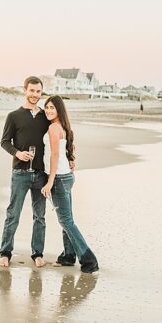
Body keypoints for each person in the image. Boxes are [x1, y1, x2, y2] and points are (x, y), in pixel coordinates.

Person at [0, 76, 68, 268]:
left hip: (40, 174)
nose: (35, 95)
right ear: (25, 90)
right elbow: (4, 142)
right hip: (20, 173)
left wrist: (70, 157)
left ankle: (37, 253)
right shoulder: (13, 116)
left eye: (38, 92)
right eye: (32, 91)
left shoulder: (46, 118)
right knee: (13, 214)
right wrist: (17, 153)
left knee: (40, 216)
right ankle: (5, 253)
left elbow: (60, 137)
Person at [41, 95, 99, 273]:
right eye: (47, 107)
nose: (49, 110)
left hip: (59, 178)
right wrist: (71, 161)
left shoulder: (53, 128)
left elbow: (55, 155)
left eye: (52, 107)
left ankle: (89, 259)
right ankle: (68, 256)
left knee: (65, 220)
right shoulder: (63, 127)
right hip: (67, 176)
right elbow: (66, 152)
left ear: (59, 110)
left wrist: (49, 181)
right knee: (67, 220)